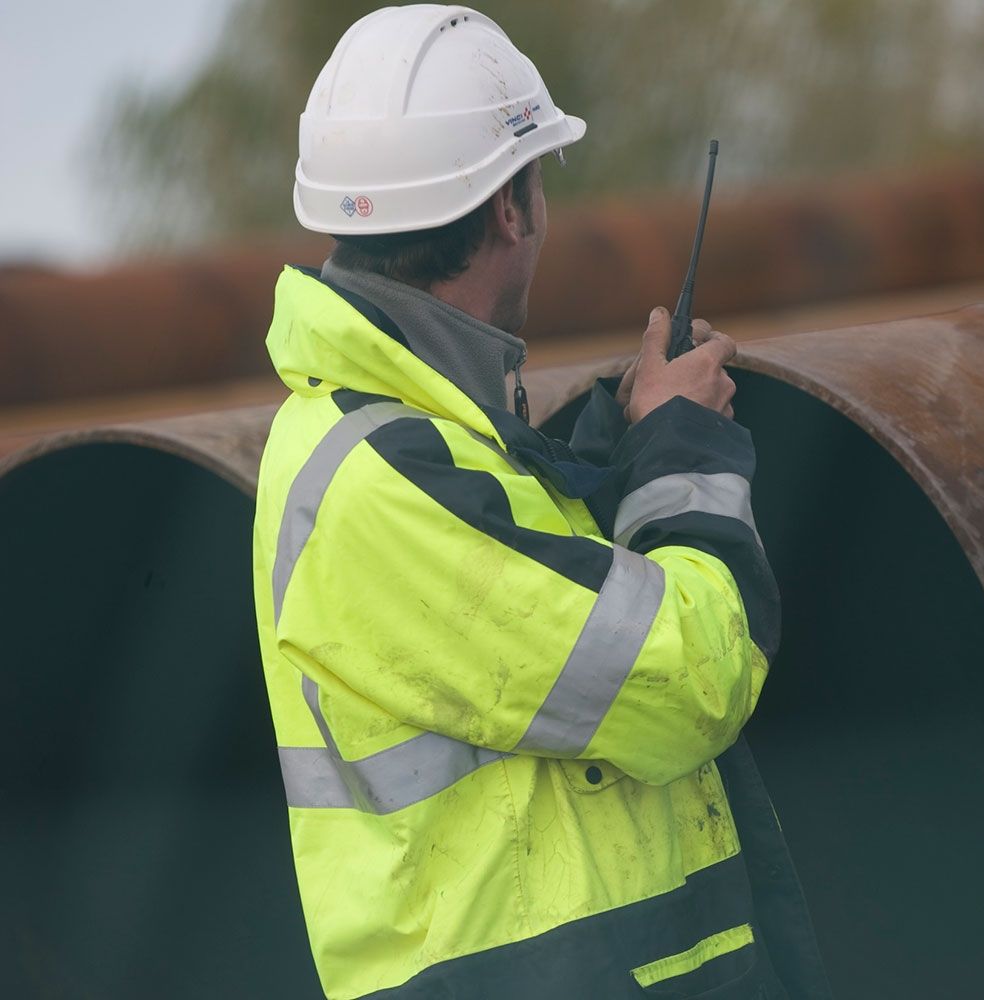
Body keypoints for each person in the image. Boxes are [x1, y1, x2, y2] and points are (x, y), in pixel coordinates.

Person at [253, 5, 830, 998]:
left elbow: (528, 603)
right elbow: (689, 682)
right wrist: (682, 460)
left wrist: (618, 442)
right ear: (509, 209)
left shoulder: (419, 434)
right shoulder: (384, 475)